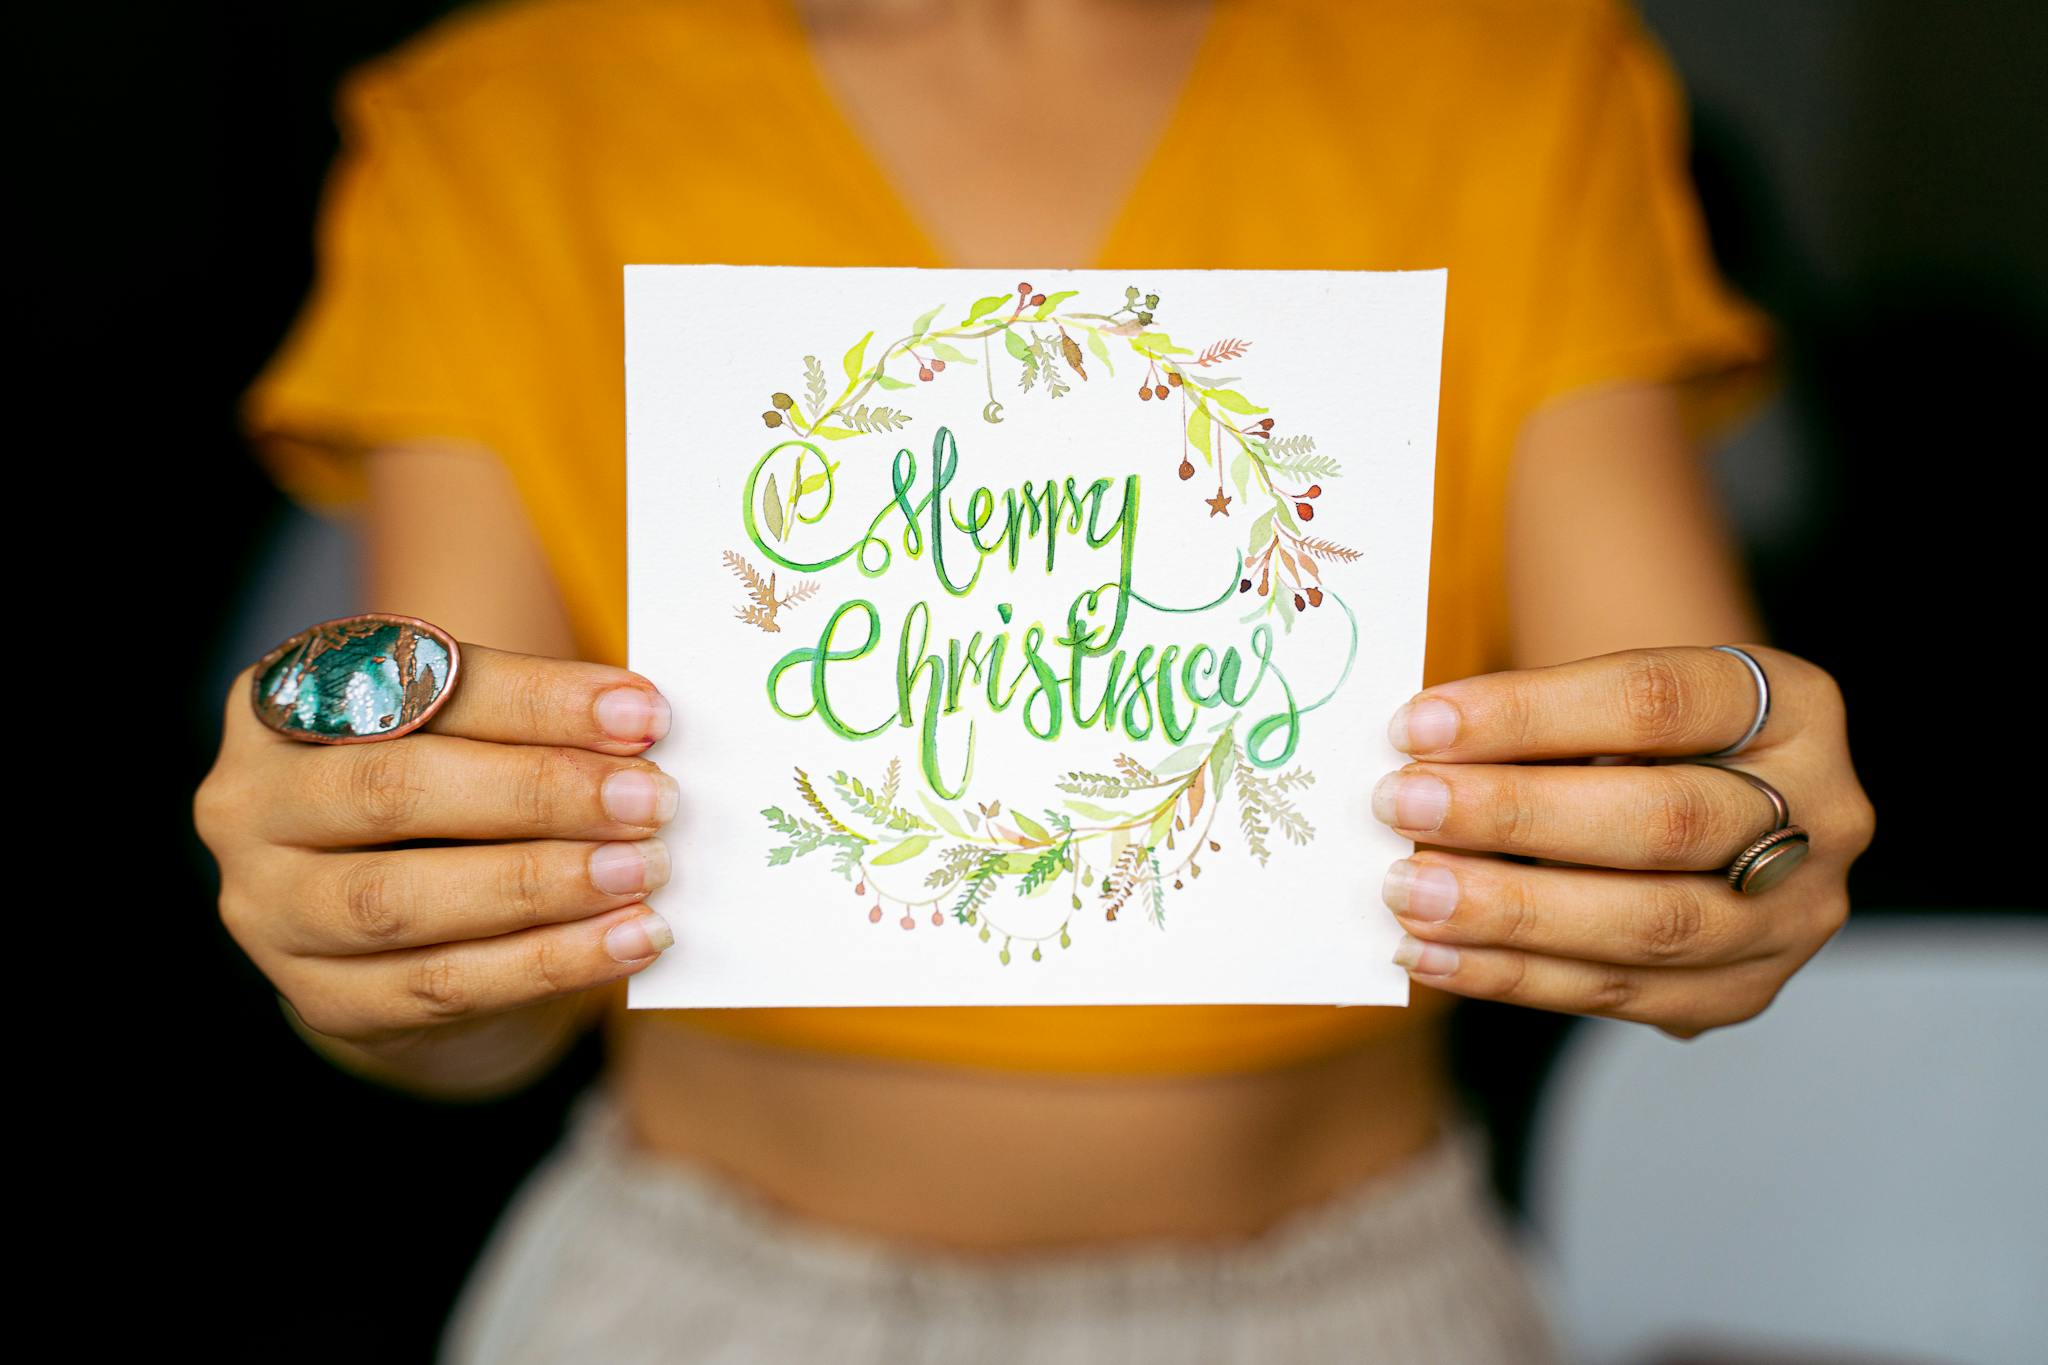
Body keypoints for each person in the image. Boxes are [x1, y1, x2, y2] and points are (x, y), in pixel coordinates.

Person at [195, 0, 1874, 1359]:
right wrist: (379, 938)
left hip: (1368, 1303)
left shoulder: (1520, 79)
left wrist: (1716, 853)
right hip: (696, 1307)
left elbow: (1685, 809)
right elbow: (481, 999)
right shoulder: (501, 126)